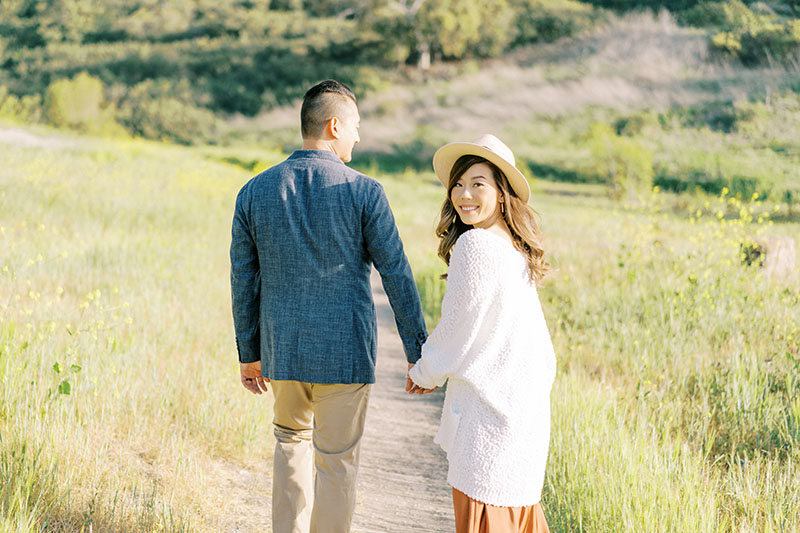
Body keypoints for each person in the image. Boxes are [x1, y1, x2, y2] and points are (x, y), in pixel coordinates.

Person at [230, 79, 428, 533]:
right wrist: (418, 352)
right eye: (356, 126)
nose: (358, 135)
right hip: (345, 356)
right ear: (335, 125)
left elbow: (244, 279)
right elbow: (395, 272)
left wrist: (249, 353)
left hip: (282, 354)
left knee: (289, 446)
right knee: (336, 465)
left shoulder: (254, 191)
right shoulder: (365, 192)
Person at [407, 134, 556, 533]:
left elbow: (459, 328)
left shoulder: (476, 245)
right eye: (458, 184)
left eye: (478, 184)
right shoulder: (514, 250)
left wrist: (424, 372)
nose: (463, 194)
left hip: (491, 421)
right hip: (524, 420)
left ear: (502, 193)